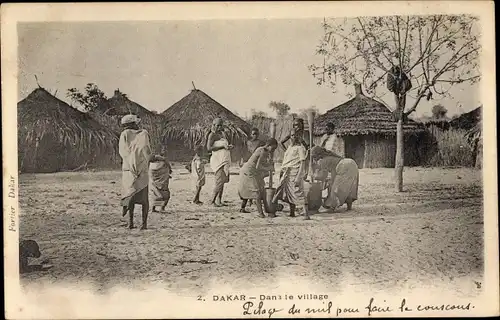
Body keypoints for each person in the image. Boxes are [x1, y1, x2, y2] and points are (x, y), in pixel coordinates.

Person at [119, 114, 152, 230]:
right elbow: (146, 151)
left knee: (130, 194)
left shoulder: (124, 135)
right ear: (134, 124)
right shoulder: (144, 134)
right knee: (144, 199)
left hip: (129, 169)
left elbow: (123, 153)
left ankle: (131, 222)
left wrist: (131, 164)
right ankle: (144, 224)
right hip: (141, 169)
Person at [273, 129, 311, 220]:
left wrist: (299, 176)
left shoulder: (300, 148)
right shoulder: (290, 147)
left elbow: (302, 162)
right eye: (292, 135)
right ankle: (292, 212)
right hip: (286, 172)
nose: (294, 137)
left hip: (295, 172)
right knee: (287, 193)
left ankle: (306, 214)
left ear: (299, 137)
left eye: (296, 135)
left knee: (298, 192)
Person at [310, 146, 359, 211]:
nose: (314, 159)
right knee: (348, 187)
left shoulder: (324, 161)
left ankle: (332, 207)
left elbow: (323, 176)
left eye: (314, 156)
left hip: (344, 167)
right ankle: (349, 207)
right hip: (352, 163)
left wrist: (313, 176)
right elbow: (333, 172)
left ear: (319, 155)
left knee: (335, 189)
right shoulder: (331, 157)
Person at [238, 138, 278, 217]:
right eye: (273, 148)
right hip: (249, 172)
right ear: (269, 145)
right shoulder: (262, 151)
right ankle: (261, 213)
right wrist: (269, 168)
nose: (273, 150)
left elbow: (261, 164)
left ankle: (242, 208)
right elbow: (258, 167)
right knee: (256, 192)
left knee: (251, 188)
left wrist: (269, 164)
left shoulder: (264, 151)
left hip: (251, 171)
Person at [207, 118, 233, 207]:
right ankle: (212, 201)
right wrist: (222, 147)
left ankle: (219, 200)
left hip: (224, 159)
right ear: (213, 125)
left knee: (223, 181)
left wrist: (228, 147)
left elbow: (225, 145)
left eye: (220, 125)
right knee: (219, 181)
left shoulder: (222, 134)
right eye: (217, 125)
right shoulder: (212, 135)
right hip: (218, 161)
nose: (219, 127)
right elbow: (209, 148)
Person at [149, 146, 172, 213]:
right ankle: (161, 208)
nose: (165, 151)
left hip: (156, 182)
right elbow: (165, 168)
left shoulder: (153, 163)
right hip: (161, 182)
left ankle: (154, 208)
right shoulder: (162, 161)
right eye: (164, 150)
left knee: (159, 196)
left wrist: (167, 174)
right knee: (165, 196)